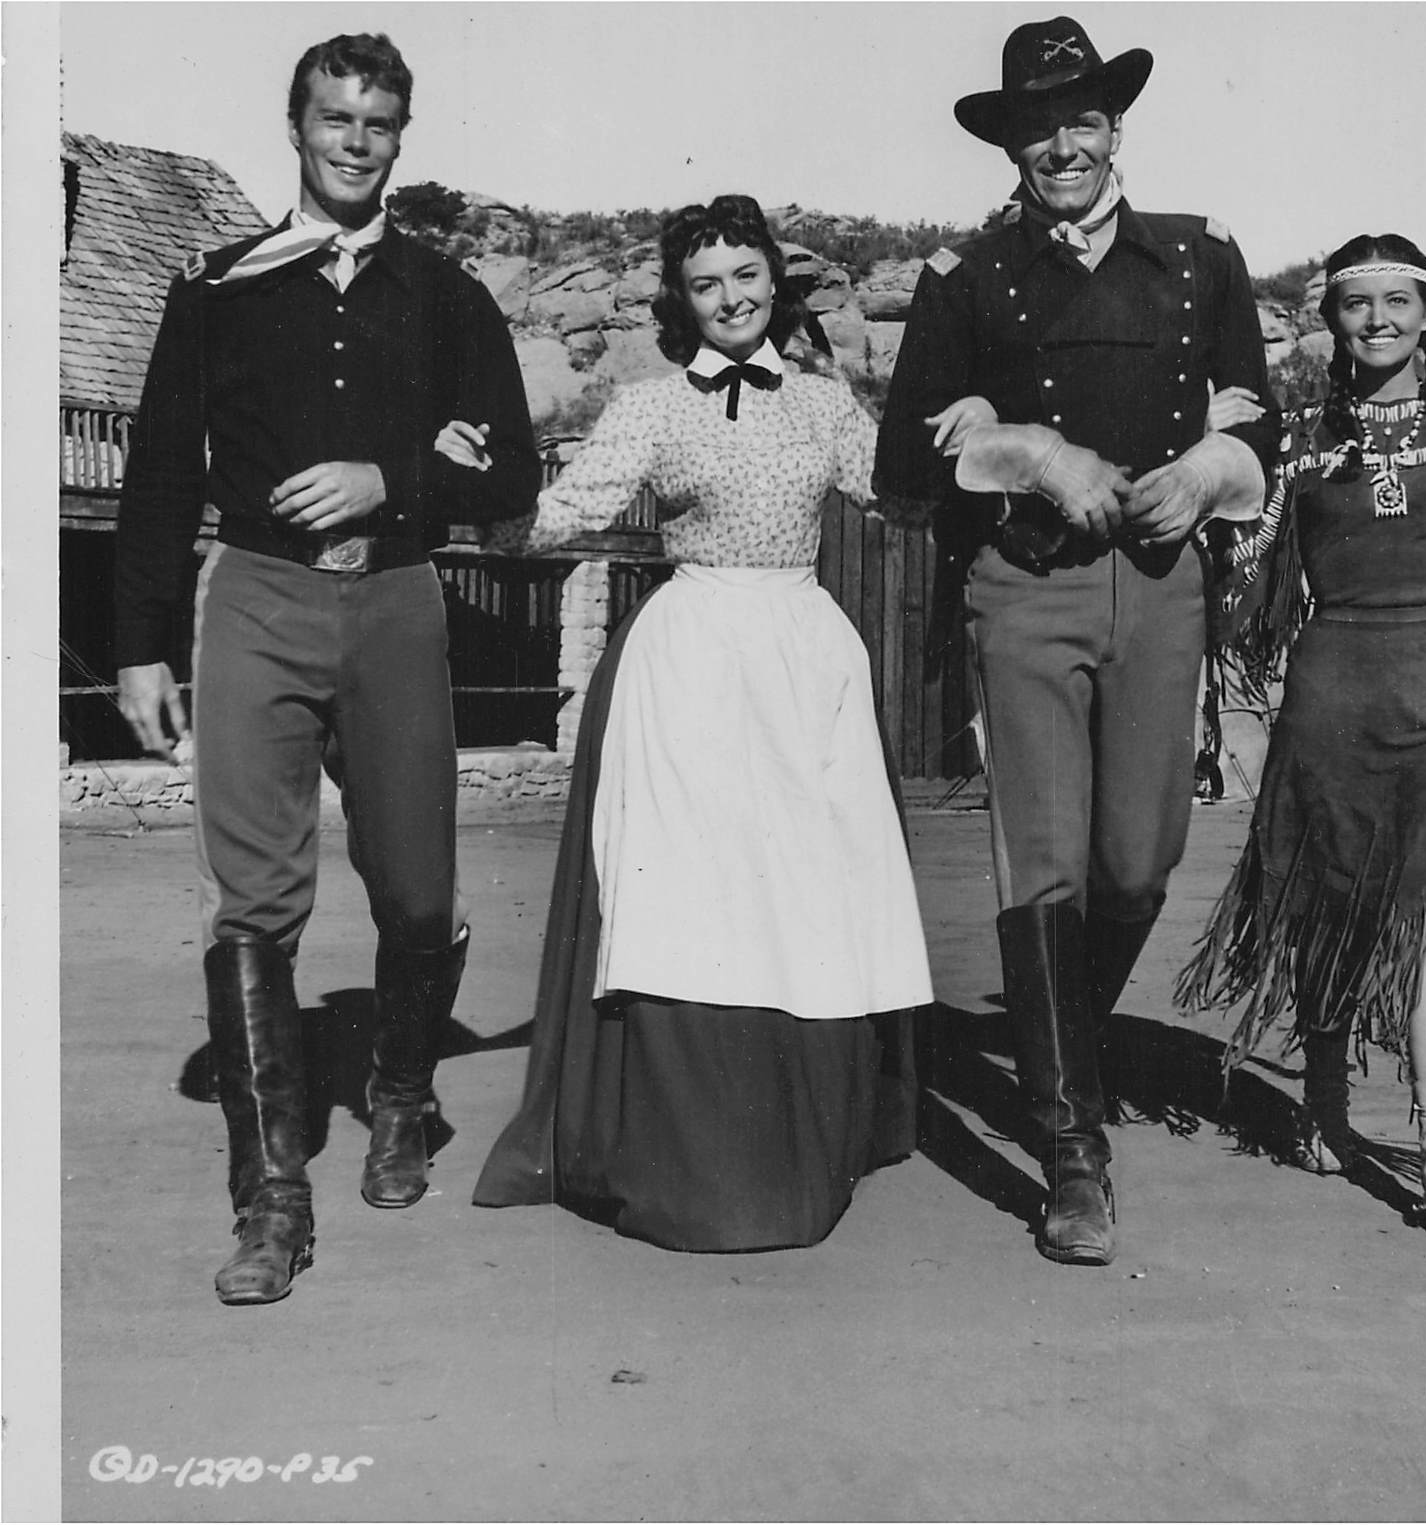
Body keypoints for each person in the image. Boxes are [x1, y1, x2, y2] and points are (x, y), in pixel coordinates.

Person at [114, 32, 541, 1305]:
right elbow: (157, 477)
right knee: (255, 901)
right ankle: (272, 1199)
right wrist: (138, 641)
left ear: (401, 137)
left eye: (377, 125)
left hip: (398, 604)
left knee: (417, 893)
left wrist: (393, 476)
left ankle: (400, 1093)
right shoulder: (219, 287)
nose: (354, 145)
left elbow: (513, 471)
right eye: (334, 120)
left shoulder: (444, 295)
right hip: (254, 599)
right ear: (295, 124)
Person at [874, 16, 1280, 1265]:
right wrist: (1029, 454)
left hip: (1161, 591)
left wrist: (1209, 469)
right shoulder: (966, 280)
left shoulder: (1200, 262)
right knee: (1041, 860)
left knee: (1141, 858)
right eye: (1038, 126)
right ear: (1011, 144)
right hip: (1027, 589)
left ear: (1117, 128)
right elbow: (902, 469)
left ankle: (1067, 1050)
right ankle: (1069, 1149)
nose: (1063, 144)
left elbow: (1262, 424)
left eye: (1084, 119)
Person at [468, 195, 933, 1252]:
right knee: (691, 891)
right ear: (682, 301)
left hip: (802, 657)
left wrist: (977, 444)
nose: (730, 298)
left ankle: (802, 1136)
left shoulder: (824, 404)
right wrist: (480, 479)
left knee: (803, 892)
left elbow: (903, 502)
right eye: (706, 283)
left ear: (776, 278)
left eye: (745, 275)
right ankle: (695, 1153)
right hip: (690, 663)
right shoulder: (648, 405)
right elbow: (560, 510)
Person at [1177, 234, 1426, 1234]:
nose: (1380, 320)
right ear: (1332, 318)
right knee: (1333, 907)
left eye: (1400, 302)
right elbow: (1247, 572)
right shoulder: (1301, 435)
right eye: (1360, 304)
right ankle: (1323, 1104)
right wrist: (1202, 449)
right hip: (1332, 696)